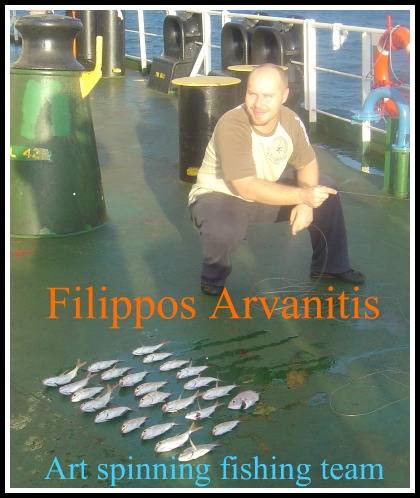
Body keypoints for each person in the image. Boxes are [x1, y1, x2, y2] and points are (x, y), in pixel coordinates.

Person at [188, 63, 365, 296]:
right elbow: (246, 187)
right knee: (223, 230)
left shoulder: (291, 121)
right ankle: (213, 277)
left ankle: (331, 267)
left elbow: (307, 163)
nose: (258, 104)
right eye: (252, 94)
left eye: (268, 96)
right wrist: (302, 196)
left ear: (284, 95)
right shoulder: (232, 124)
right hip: (221, 194)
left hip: (265, 187)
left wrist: (306, 203)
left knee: (325, 191)